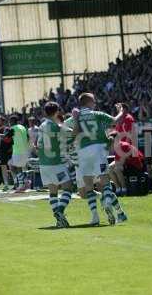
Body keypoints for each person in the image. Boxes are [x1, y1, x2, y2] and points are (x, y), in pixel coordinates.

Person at [72, 93, 126, 225]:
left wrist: (75, 120)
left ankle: (95, 216)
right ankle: (108, 202)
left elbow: (73, 133)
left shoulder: (77, 117)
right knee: (104, 181)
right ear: (89, 102)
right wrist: (122, 111)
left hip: (83, 152)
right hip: (98, 150)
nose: (95, 103)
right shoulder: (97, 114)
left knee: (89, 186)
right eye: (94, 101)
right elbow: (115, 121)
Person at [38, 102, 72, 228]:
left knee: (53, 191)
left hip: (43, 162)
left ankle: (59, 221)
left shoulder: (41, 126)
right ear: (57, 111)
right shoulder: (56, 126)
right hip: (55, 163)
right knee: (68, 187)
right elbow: (72, 134)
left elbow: (38, 145)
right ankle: (59, 211)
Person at [8, 115, 29, 192]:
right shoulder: (23, 127)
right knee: (14, 166)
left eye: (10, 121)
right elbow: (27, 137)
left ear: (12, 121)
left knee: (15, 167)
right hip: (24, 150)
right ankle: (25, 182)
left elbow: (6, 137)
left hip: (17, 151)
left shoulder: (13, 128)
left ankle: (21, 185)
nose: (9, 123)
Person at [0, 116, 13, 192]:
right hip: (2, 152)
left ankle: (16, 183)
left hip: (8, 152)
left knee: (12, 168)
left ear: (3, 122)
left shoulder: (7, 129)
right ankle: (6, 184)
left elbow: (7, 138)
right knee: (4, 169)